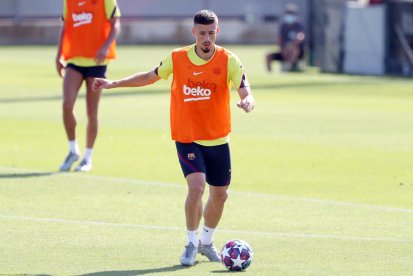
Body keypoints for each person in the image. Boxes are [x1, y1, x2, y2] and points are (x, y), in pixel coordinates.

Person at [92, 10, 255, 266]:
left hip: (218, 140)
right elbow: (149, 76)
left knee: (221, 194)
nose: (206, 38)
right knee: (197, 187)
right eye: (202, 33)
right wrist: (113, 83)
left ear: (217, 32)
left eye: (211, 33)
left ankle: (206, 242)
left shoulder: (229, 60)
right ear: (194, 32)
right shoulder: (178, 58)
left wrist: (247, 100)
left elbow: (244, 88)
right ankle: (190, 243)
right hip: (187, 137)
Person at [55, 0, 121, 172]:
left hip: (97, 62)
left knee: (92, 110)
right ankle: (72, 150)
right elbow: (65, 27)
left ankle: (87, 158)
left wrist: (106, 47)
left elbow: (116, 24)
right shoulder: (69, 2)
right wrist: (58, 55)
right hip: (74, 60)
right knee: (67, 104)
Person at [266, 3, 305, 72]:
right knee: (268, 55)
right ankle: (270, 73)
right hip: (284, 50)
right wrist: (282, 48)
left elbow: (301, 36)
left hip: (296, 50)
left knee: (294, 49)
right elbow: (279, 39)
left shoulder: (298, 24)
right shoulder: (283, 25)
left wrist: (293, 45)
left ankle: (290, 66)